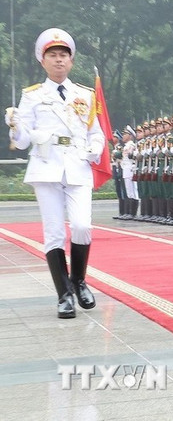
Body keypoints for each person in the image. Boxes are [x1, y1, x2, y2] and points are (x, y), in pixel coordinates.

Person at [5, 28, 105, 318]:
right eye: (53, 55)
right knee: (54, 232)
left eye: (64, 55)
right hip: (46, 165)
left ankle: (79, 280)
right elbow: (22, 141)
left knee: (82, 226)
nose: (59, 60)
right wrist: (14, 124)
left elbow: (95, 131)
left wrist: (95, 149)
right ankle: (64, 295)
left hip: (77, 162)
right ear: (43, 61)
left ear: (71, 61)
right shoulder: (32, 96)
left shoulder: (84, 95)